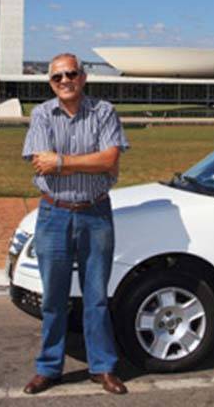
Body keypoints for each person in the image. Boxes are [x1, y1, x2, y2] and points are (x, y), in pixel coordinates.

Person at [21, 53, 129, 396]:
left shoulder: (104, 111)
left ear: (83, 77)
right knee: (53, 297)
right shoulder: (41, 114)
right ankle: (49, 368)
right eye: (57, 77)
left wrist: (63, 162)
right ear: (51, 83)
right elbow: (41, 163)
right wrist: (90, 163)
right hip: (54, 214)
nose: (65, 81)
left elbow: (110, 159)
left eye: (71, 74)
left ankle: (103, 367)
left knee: (96, 296)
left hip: (95, 213)